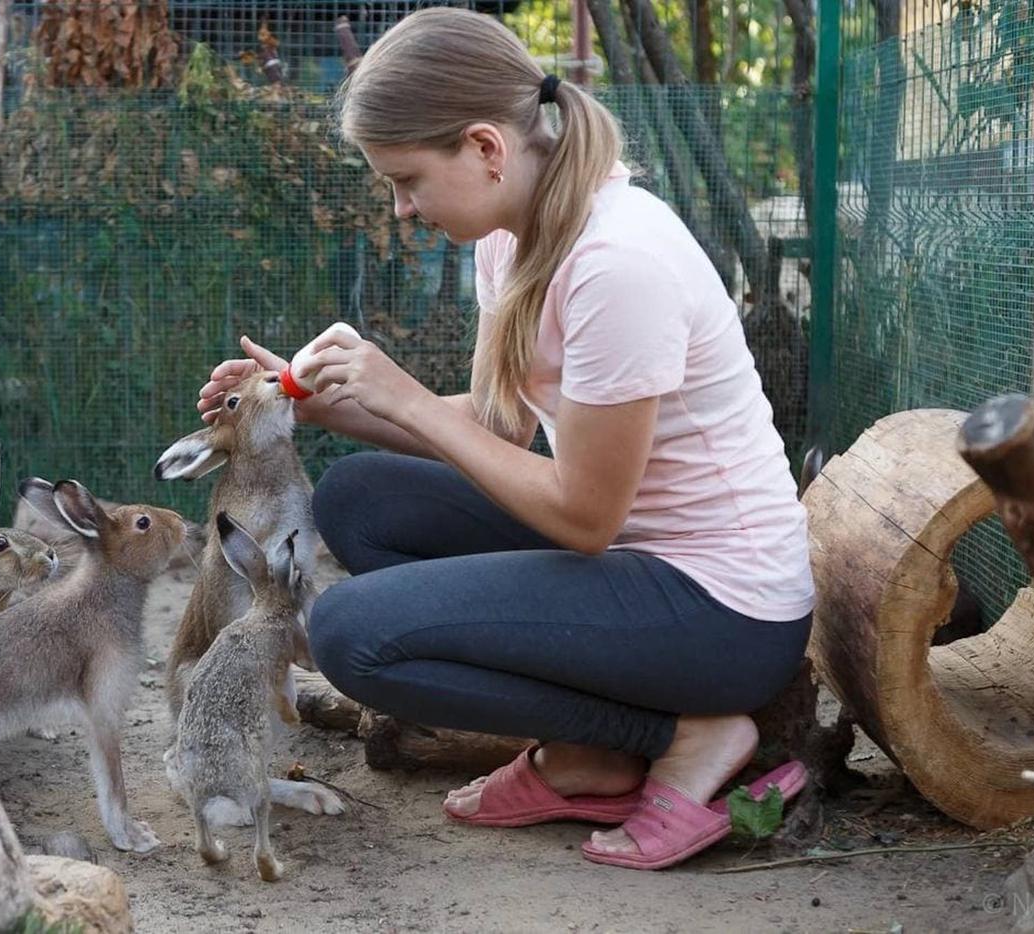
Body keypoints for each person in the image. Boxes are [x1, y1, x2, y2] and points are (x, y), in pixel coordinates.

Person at [194, 6, 815, 870]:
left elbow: (586, 518)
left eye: (407, 179)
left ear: (486, 148)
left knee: (348, 635)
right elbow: (497, 425)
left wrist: (406, 398)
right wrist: (322, 406)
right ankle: (589, 757)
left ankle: (679, 732)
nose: (402, 208)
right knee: (361, 499)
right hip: (634, 558)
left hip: (722, 613)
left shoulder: (615, 264)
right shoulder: (513, 234)